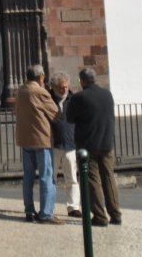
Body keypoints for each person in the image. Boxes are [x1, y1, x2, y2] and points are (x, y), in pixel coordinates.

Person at [67, 67, 121, 226]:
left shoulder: (79, 97)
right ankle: (116, 214)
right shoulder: (107, 94)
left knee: (92, 181)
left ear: (82, 81)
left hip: (88, 145)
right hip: (106, 143)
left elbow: (70, 118)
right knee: (109, 178)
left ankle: (99, 216)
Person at [15, 63, 61, 223]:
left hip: (25, 139)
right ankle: (46, 213)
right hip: (41, 140)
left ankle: (29, 211)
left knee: (28, 176)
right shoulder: (40, 92)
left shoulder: (20, 91)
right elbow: (56, 114)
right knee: (46, 176)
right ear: (41, 77)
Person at [50, 71, 81, 218]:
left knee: (72, 178)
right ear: (54, 87)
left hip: (70, 144)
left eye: (66, 87)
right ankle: (49, 206)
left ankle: (73, 207)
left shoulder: (73, 99)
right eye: (61, 87)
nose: (64, 89)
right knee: (51, 178)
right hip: (53, 144)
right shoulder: (48, 99)